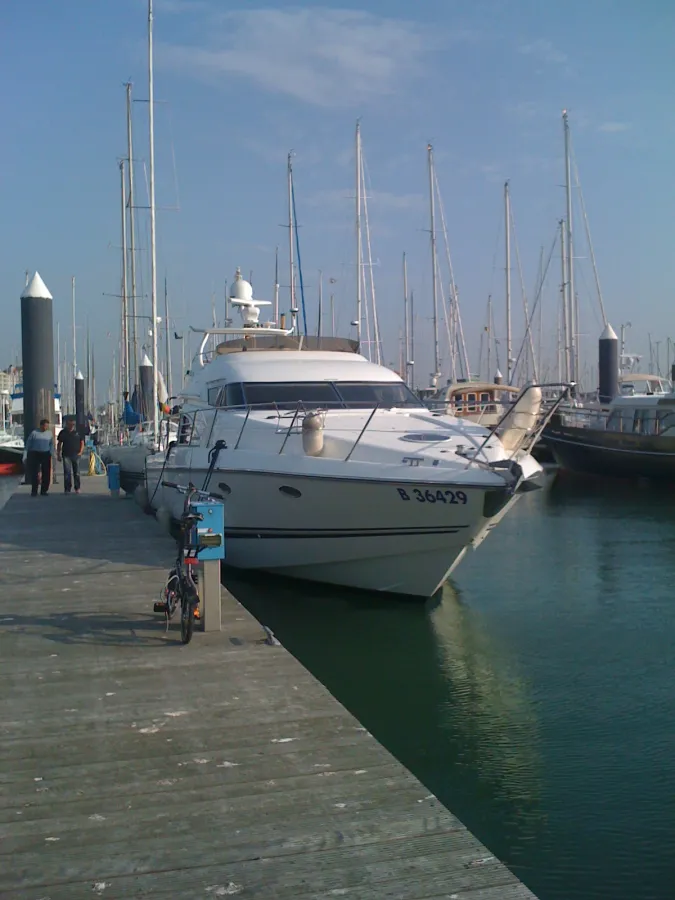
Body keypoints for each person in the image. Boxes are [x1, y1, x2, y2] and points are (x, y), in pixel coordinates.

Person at [25, 418, 54, 496]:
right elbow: (28, 444)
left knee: (46, 472)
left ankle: (44, 490)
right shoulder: (34, 433)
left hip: (46, 453)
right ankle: (34, 491)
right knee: (35, 473)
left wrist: (51, 452)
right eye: (44, 426)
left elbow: (51, 444)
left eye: (47, 426)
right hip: (35, 453)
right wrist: (25, 454)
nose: (46, 428)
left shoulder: (49, 433)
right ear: (41, 425)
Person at [56, 418, 84, 494]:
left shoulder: (78, 432)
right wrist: (58, 454)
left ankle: (77, 487)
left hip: (76, 454)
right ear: (67, 424)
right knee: (67, 472)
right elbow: (59, 444)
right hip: (66, 455)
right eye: (70, 424)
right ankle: (67, 488)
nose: (71, 426)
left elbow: (82, 442)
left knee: (77, 472)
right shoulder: (63, 432)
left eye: (73, 424)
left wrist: (81, 452)